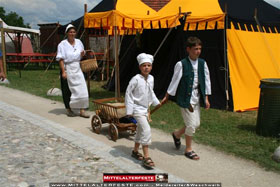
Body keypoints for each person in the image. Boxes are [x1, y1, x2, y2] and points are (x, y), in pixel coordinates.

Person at [162, 36, 211, 160]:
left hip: (196, 97)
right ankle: (188, 149)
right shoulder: (181, 64)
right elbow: (174, 81)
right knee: (191, 125)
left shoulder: (202, 63)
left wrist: (206, 98)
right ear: (188, 49)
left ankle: (177, 134)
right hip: (185, 98)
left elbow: (206, 81)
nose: (198, 51)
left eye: (200, 48)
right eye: (195, 49)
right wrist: (167, 96)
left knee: (196, 124)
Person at [125, 53, 161, 169]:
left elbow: (151, 92)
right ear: (140, 67)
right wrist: (129, 110)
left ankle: (135, 151)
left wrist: (156, 102)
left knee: (140, 130)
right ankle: (146, 157)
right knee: (146, 130)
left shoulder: (151, 78)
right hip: (136, 109)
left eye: (148, 65)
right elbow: (128, 94)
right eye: (144, 65)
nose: (146, 67)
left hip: (145, 109)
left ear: (151, 67)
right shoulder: (135, 79)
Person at [56, 24, 90, 118]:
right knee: (67, 90)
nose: (72, 33)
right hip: (67, 67)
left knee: (81, 88)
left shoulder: (79, 42)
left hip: (77, 67)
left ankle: (82, 110)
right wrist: (63, 71)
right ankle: (69, 109)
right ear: (67, 33)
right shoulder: (62, 44)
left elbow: (82, 53)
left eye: (74, 32)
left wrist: (83, 54)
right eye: (70, 32)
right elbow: (60, 59)